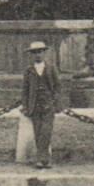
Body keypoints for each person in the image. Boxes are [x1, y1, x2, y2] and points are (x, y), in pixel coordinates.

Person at [20, 40, 62, 169]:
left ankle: (43, 159)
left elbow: (57, 87)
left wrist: (55, 102)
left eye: (40, 52)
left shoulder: (51, 68)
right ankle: (42, 160)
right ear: (32, 55)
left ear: (44, 53)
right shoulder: (29, 70)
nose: (38, 55)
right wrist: (26, 106)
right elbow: (25, 90)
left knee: (46, 132)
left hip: (48, 105)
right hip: (34, 106)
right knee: (38, 132)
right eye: (35, 53)